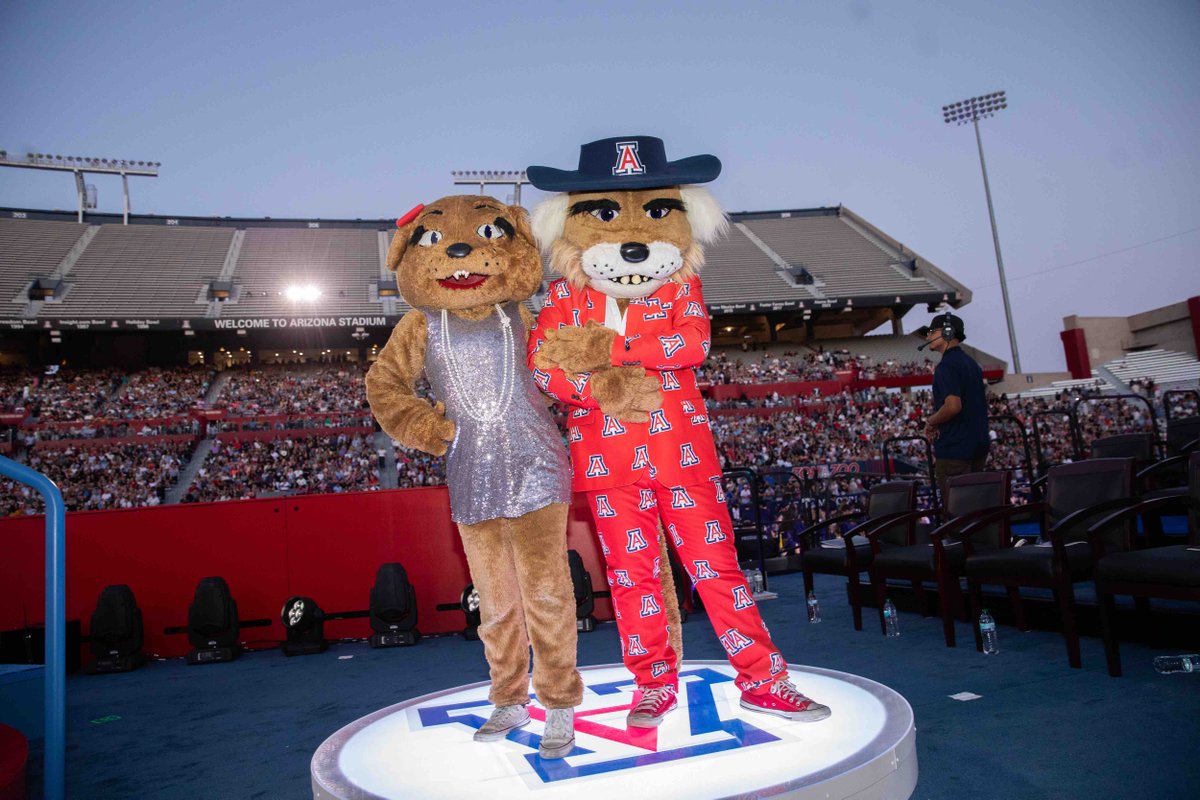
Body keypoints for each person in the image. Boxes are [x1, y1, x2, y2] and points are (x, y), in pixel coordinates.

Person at [916, 312, 990, 497]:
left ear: (947, 332)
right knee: (976, 509)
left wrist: (931, 421)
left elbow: (953, 406)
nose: (929, 336)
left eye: (933, 332)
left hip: (955, 449)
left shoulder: (946, 366)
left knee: (958, 514)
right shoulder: (971, 363)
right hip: (978, 446)